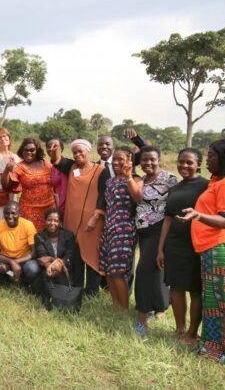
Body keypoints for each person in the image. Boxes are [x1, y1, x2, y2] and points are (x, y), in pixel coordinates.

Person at [177, 139, 225, 364]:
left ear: (224, 158)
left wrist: (198, 215)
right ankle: (212, 347)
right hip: (213, 246)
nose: (207, 159)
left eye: (211, 156)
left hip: (223, 246)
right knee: (213, 298)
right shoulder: (217, 181)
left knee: (222, 298)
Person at [155, 148, 209, 343]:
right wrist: (161, 248)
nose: (184, 166)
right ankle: (180, 329)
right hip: (174, 244)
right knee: (176, 287)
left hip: (196, 244)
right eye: (181, 162)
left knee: (195, 289)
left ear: (199, 165)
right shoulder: (175, 188)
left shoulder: (206, 186)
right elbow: (168, 220)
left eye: (189, 162)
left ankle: (193, 332)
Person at [127, 145, 178, 337]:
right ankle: (159, 309)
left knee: (144, 271)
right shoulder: (141, 180)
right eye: (144, 160)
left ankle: (142, 317)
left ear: (159, 160)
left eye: (152, 159)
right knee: (157, 270)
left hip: (161, 229)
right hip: (144, 231)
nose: (148, 163)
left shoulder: (169, 179)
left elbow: (178, 201)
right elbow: (138, 200)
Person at [51, 139, 106, 297]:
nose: (77, 154)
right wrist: (55, 149)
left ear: (89, 152)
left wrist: (96, 217)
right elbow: (57, 161)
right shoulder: (71, 167)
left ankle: (92, 292)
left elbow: (104, 195)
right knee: (74, 255)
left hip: (92, 222)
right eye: (75, 152)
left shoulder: (100, 170)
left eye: (81, 151)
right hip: (72, 220)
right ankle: (76, 288)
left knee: (92, 255)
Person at [97, 147, 137, 310]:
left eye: (121, 159)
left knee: (118, 270)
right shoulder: (110, 181)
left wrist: (128, 178)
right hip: (109, 227)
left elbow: (139, 198)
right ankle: (116, 305)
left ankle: (124, 308)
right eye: (114, 159)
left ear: (130, 161)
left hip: (124, 228)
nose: (116, 163)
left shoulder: (136, 179)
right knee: (108, 269)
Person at [2, 137, 55, 231]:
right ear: (22, 151)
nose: (28, 152)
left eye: (32, 150)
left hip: (49, 209)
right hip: (28, 211)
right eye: (25, 150)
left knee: (48, 237)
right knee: (30, 239)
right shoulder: (20, 167)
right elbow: (6, 186)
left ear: (37, 151)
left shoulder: (46, 164)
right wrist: (6, 170)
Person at [0, 201, 39, 283]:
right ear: (3, 213)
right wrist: (10, 262)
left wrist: (14, 262)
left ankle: (18, 278)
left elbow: (34, 252)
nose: (10, 216)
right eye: (7, 213)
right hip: (5, 259)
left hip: (23, 260)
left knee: (32, 268)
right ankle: (12, 276)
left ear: (20, 213)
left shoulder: (28, 225)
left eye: (13, 213)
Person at [31, 208, 77, 296]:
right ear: (45, 221)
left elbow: (68, 256)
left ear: (60, 223)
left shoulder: (69, 235)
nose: (52, 223)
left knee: (64, 288)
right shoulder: (39, 236)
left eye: (56, 221)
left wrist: (56, 263)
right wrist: (51, 266)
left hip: (64, 268)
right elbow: (43, 256)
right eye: (49, 220)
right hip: (47, 269)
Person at [46, 138, 68, 216]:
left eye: (55, 146)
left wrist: (60, 210)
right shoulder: (52, 166)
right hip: (57, 203)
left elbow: (64, 190)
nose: (51, 149)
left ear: (61, 148)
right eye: (49, 147)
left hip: (65, 206)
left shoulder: (65, 165)